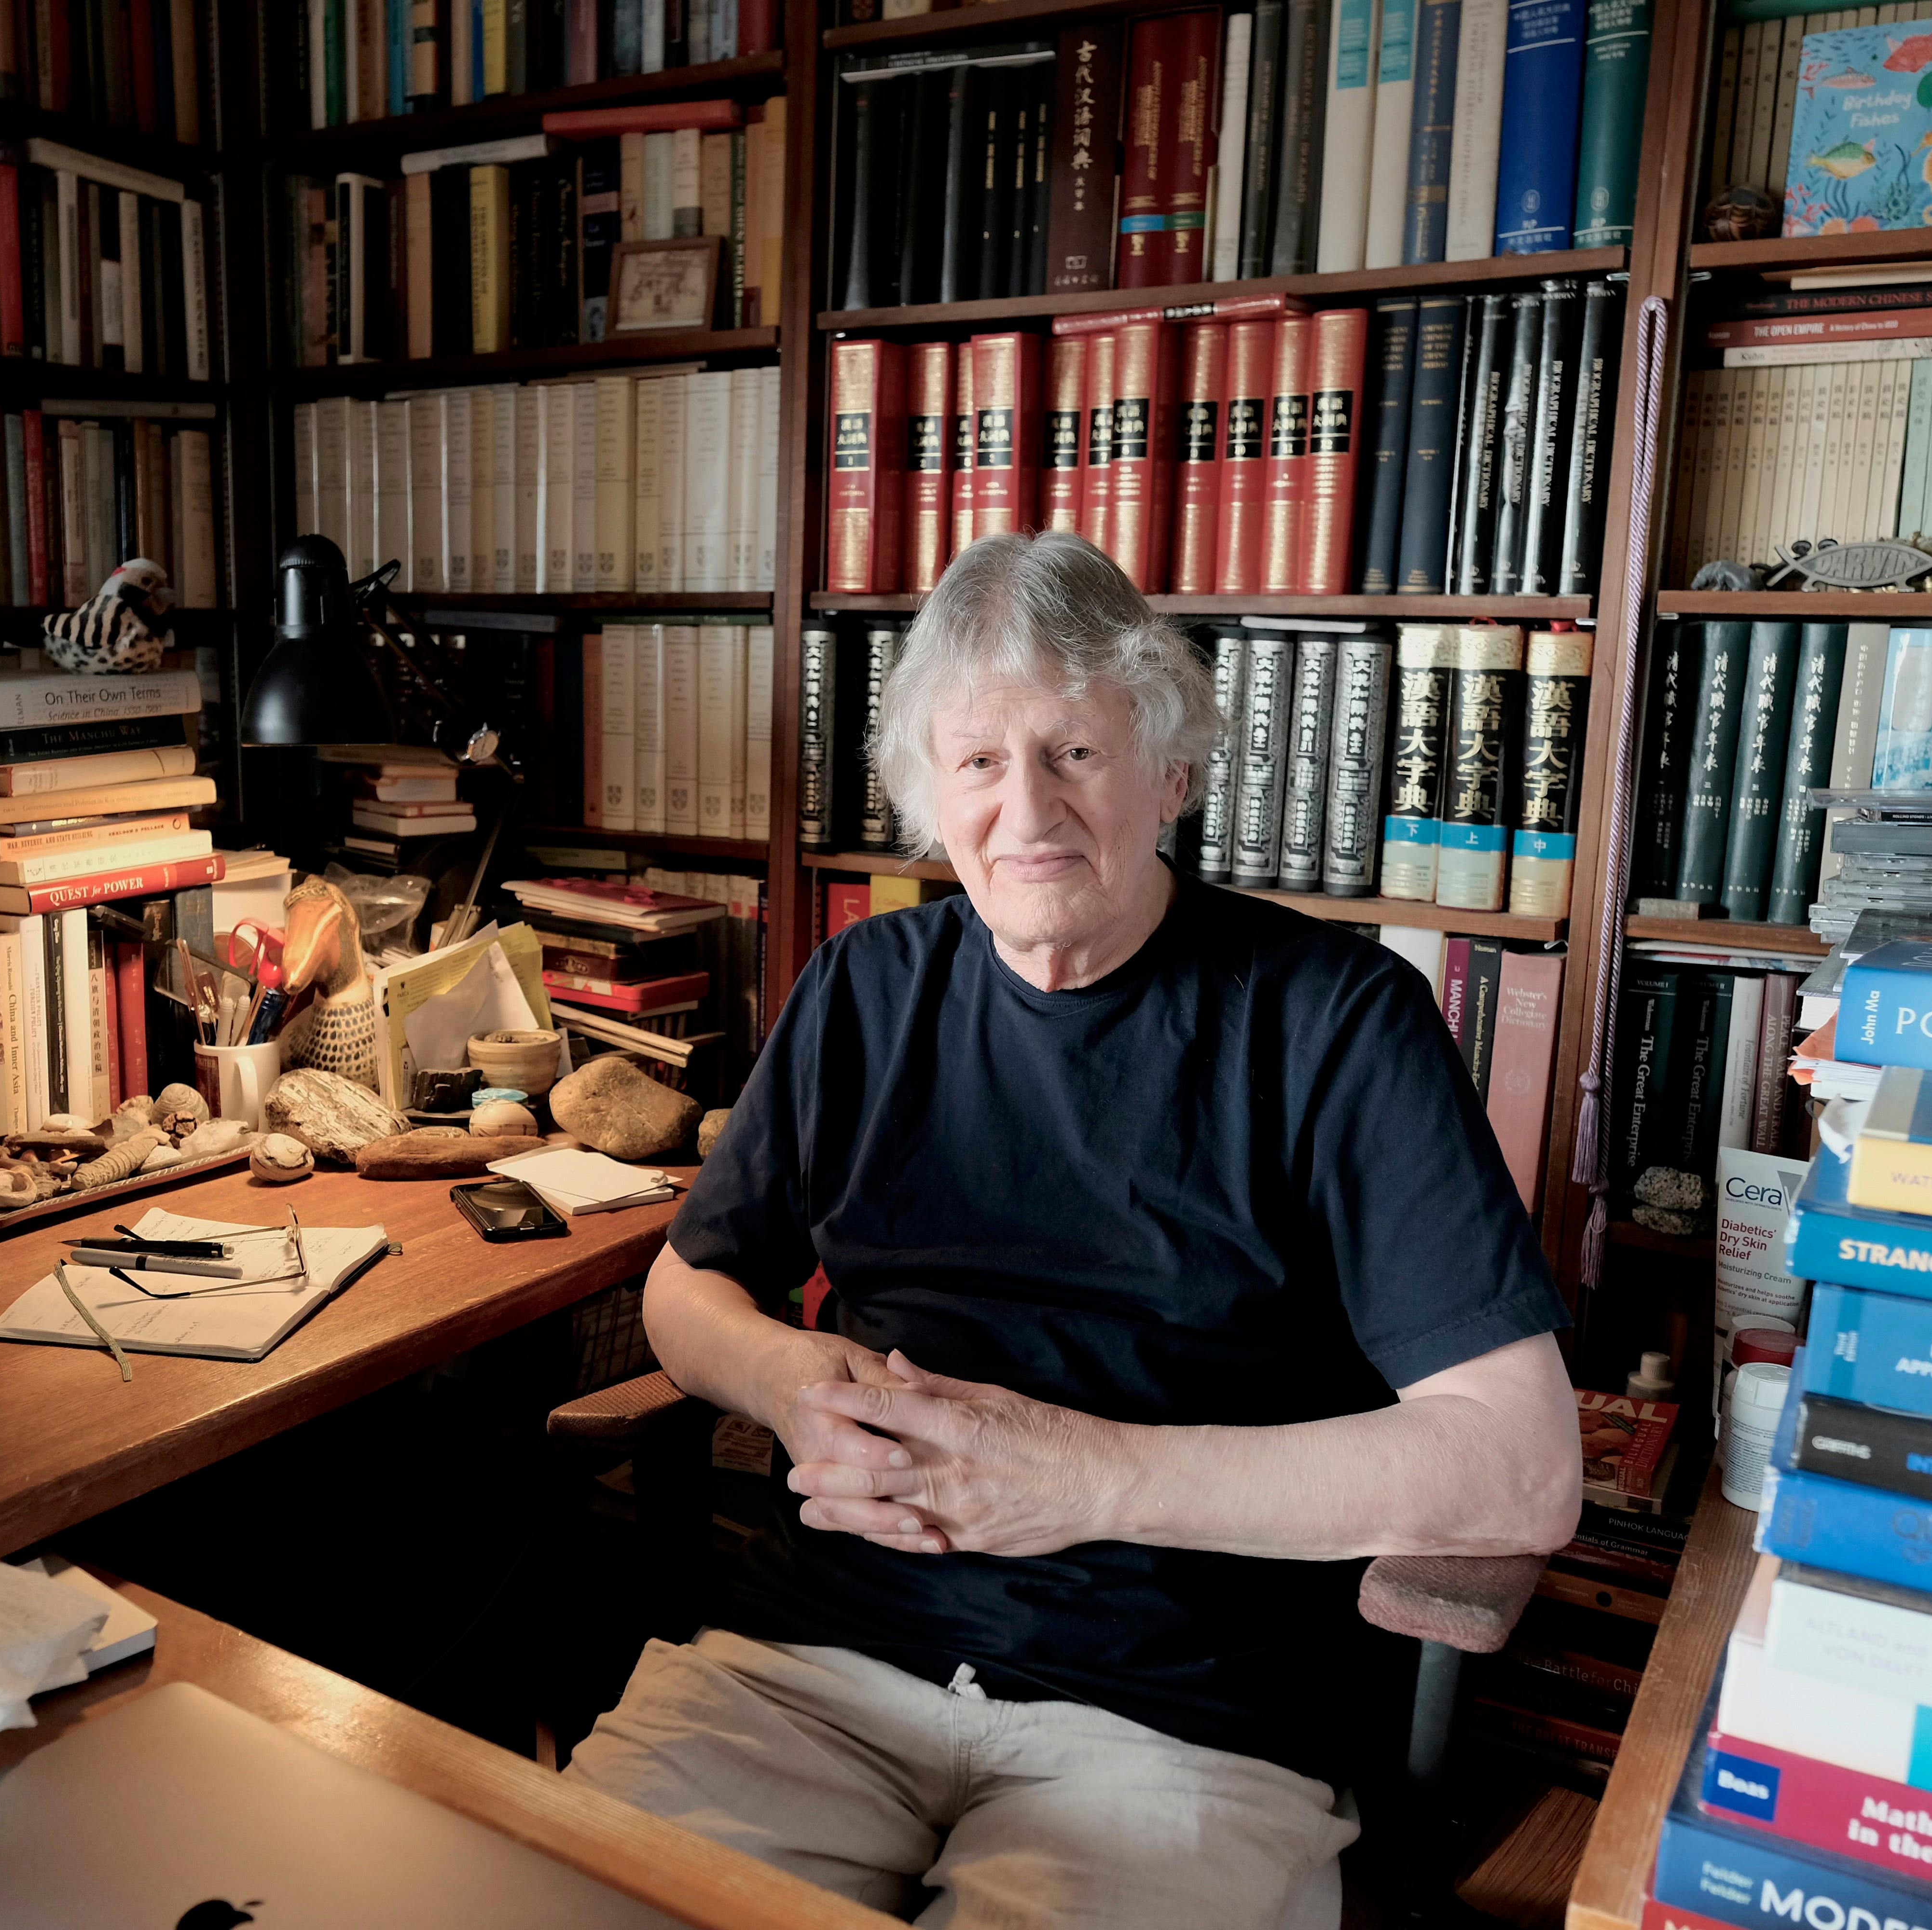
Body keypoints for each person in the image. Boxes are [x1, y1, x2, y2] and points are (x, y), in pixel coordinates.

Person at [563, 531, 1584, 1930]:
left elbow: (1521, 1469)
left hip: (1184, 1722)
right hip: (811, 1667)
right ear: (931, 795)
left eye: (1077, 753)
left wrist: (1092, 1482)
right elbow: (688, 1291)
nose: (1026, 808)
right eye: (980, 761)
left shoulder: (1338, 1021)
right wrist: (790, 1385)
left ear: (1171, 774)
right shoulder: (865, 986)